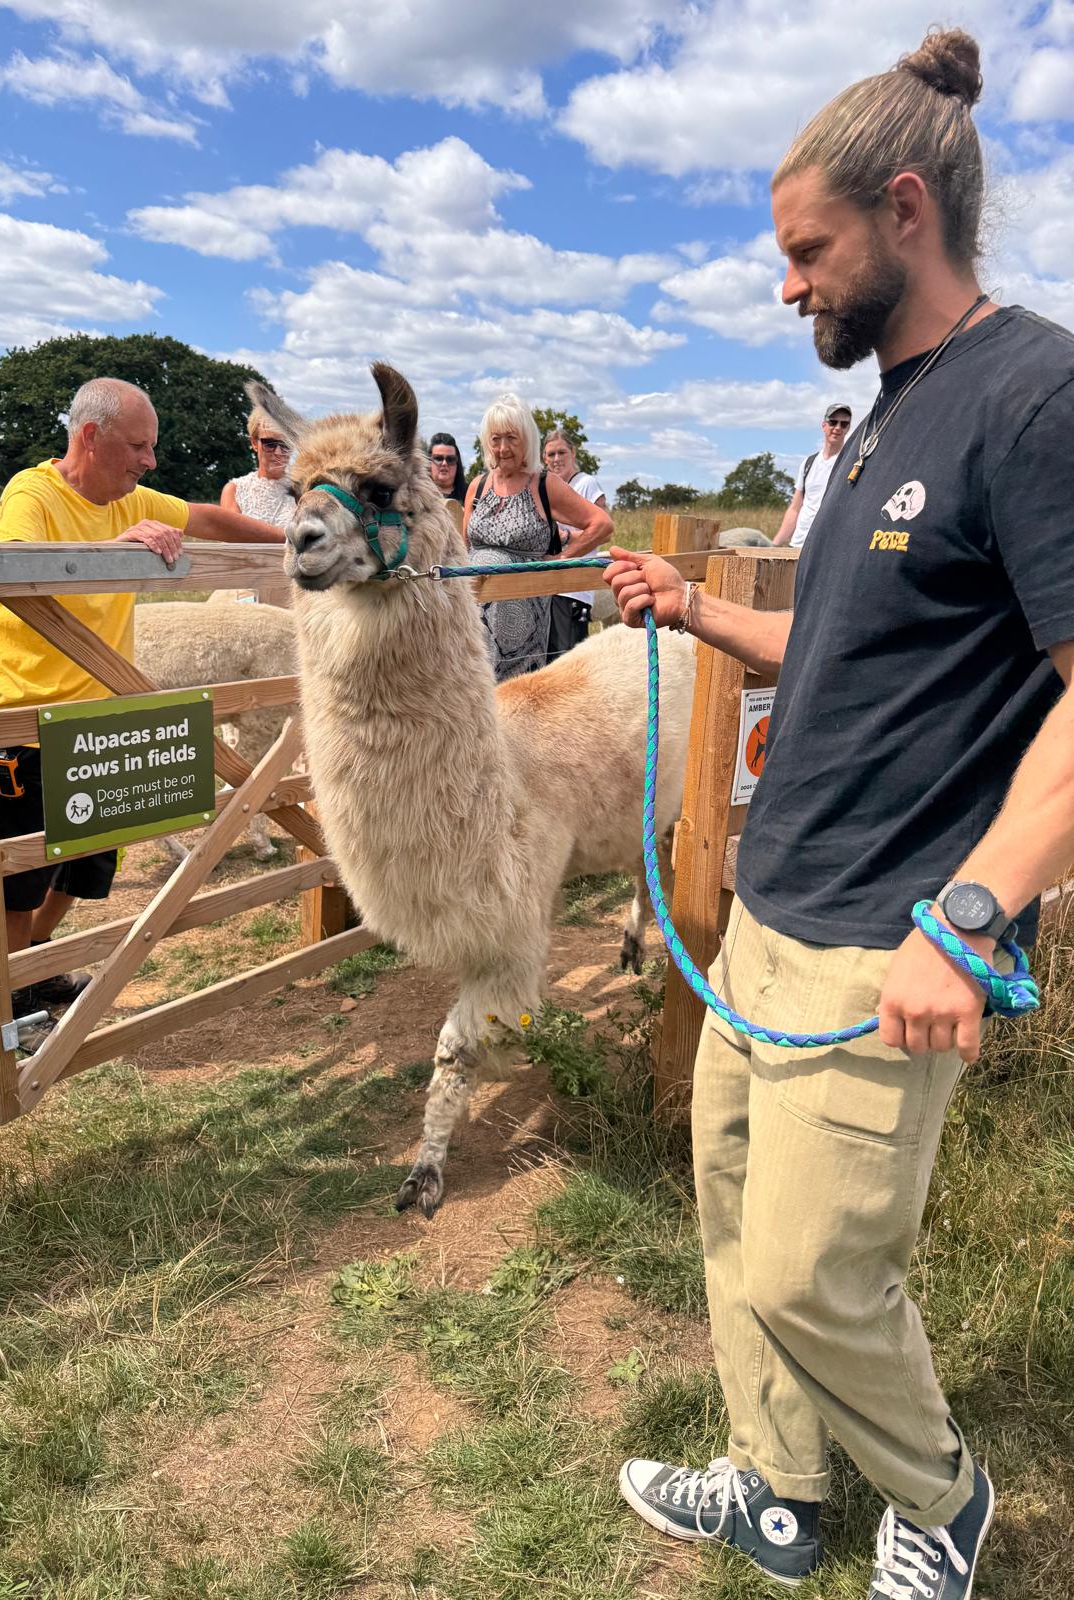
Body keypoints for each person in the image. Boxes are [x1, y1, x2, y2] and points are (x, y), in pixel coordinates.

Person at [607, 28, 1073, 1600]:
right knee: (736, 1226)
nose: (788, 284)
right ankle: (781, 1489)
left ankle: (939, 1499)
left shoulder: (1036, 394)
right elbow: (849, 644)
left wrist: (974, 915)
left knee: (818, 1271)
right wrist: (692, 611)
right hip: (770, 912)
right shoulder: (884, 412)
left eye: (806, 250)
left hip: (892, 940)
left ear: (904, 211)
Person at [0, 377, 287, 1046]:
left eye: (151, 447)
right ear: (89, 438)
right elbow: (12, 565)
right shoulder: (31, 494)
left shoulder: (128, 496)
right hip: (28, 722)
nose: (150, 460)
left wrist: (293, 542)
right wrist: (118, 547)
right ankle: (9, 1015)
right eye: (138, 446)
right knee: (22, 879)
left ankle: (34, 973)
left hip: (101, 718)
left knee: (88, 864)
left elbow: (207, 519)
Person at [465, 395, 611, 681]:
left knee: (519, 703)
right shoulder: (478, 486)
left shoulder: (544, 485)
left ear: (527, 440)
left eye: (511, 438)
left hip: (523, 628)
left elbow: (601, 524)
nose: (503, 448)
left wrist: (561, 559)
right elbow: (464, 550)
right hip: (473, 621)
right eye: (495, 439)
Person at [541, 428, 613, 657]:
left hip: (573, 588)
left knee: (566, 657)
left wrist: (565, 546)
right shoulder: (545, 487)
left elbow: (604, 531)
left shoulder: (585, 484)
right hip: (548, 586)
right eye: (550, 454)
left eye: (561, 452)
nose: (556, 459)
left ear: (573, 452)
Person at [772, 402, 852, 545]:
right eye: (833, 422)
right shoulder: (808, 463)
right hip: (798, 544)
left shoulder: (849, 463)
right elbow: (795, 508)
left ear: (848, 429)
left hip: (825, 548)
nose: (838, 428)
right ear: (824, 425)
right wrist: (774, 545)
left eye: (844, 424)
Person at [221, 404, 298, 525]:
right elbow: (230, 539)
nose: (278, 452)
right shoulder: (234, 491)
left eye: (285, 444)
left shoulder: (303, 489)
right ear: (254, 443)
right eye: (270, 443)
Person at [428, 431, 468, 536]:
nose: (444, 464)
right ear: (429, 462)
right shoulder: (417, 497)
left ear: (457, 463)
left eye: (450, 459)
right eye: (438, 458)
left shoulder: (470, 495)